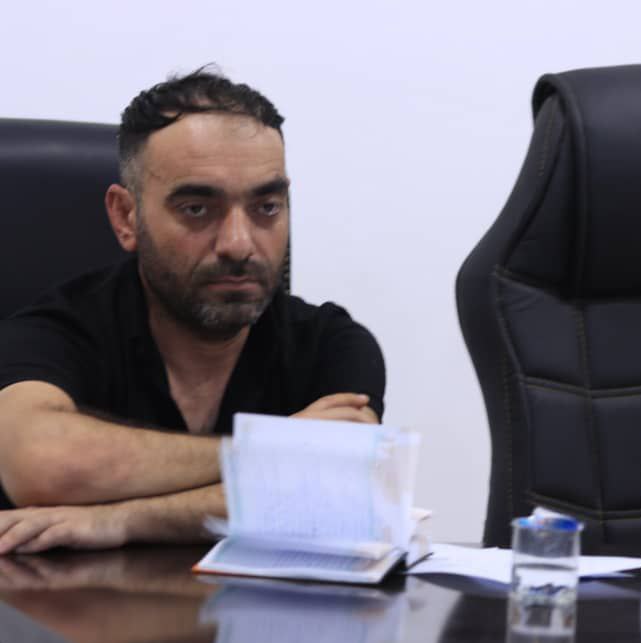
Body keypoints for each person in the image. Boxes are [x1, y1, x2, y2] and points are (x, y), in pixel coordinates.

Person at [0, 69, 384, 553]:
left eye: (266, 206)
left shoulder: (330, 343)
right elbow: (43, 464)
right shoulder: (51, 331)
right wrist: (277, 450)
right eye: (197, 209)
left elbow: (336, 491)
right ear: (126, 217)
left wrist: (120, 519)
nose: (239, 244)